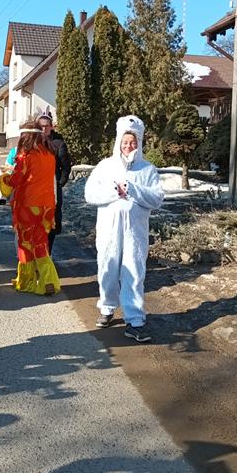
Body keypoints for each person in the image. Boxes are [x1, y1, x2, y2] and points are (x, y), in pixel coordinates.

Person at [84, 115, 164, 342]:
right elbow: (90, 194)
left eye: (133, 142)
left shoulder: (147, 170)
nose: (128, 146)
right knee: (107, 268)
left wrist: (133, 189)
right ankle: (107, 307)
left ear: (139, 143)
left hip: (135, 232)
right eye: (125, 141)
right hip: (108, 230)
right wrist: (114, 192)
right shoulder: (105, 166)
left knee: (134, 273)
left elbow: (157, 198)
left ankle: (135, 320)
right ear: (118, 141)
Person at [0, 120, 60, 295]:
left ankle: (26, 281)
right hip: (47, 206)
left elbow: (14, 180)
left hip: (28, 205)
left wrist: (3, 177)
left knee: (25, 242)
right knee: (41, 242)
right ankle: (48, 280)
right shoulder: (49, 154)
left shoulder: (25, 156)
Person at [36, 111, 71, 254]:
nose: (44, 129)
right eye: (41, 126)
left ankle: (47, 253)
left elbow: (66, 166)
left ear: (51, 127)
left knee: (51, 222)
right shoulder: (33, 142)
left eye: (46, 126)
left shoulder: (58, 144)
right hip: (35, 188)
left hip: (52, 188)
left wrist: (60, 182)